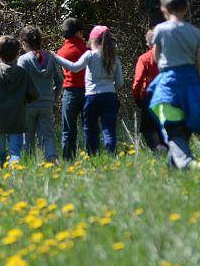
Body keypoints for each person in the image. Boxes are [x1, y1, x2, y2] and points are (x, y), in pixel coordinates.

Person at [149, 0, 200, 170]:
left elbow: (155, 57)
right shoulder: (196, 33)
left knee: (172, 129)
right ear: (186, 9)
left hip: (169, 85)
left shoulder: (160, 30)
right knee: (183, 130)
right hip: (191, 85)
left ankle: (188, 163)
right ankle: (174, 168)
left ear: (164, 9)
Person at [54, 26, 124, 155]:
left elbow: (74, 68)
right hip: (110, 96)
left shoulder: (90, 55)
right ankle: (111, 153)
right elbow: (119, 83)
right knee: (109, 128)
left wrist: (56, 57)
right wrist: (109, 87)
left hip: (92, 96)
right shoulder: (115, 58)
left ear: (93, 40)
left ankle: (92, 154)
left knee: (90, 128)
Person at [0, 35, 38, 166]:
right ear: (17, 54)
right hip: (17, 119)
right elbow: (33, 94)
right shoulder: (22, 73)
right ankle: (16, 176)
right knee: (15, 152)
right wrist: (23, 99)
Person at [16, 26, 63, 162]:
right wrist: (53, 97)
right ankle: (52, 159)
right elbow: (60, 81)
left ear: (24, 43)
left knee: (27, 136)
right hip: (46, 103)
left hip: (28, 105)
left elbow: (19, 84)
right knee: (47, 135)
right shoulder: (50, 57)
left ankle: (28, 162)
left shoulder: (23, 60)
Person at [57, 18, 88, 160]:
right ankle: (92, 155)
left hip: (70, 92)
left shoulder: (61, 52)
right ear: (78, 33)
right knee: (89, 126)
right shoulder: (87, 50)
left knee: (68, 130)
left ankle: (68, 158)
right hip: (87, 91)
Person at [131, 30, 163, 153]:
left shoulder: (144, 58)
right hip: (167, 95)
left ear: (149, 44)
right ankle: (164, 147)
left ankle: (155, 150)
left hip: (150, 97)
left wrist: (137, 97)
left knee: (147, 128)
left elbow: (138, 81)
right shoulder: (168, 57)